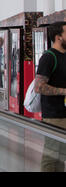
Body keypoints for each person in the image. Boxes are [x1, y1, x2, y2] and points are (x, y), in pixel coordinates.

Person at [34, 22, 66, 172]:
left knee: (61, 157)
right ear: (59, 37)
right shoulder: (48, 57)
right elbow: (39, 86)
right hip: (54, 116)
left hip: (64, 113)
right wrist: (64, 91)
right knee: (51, 157)